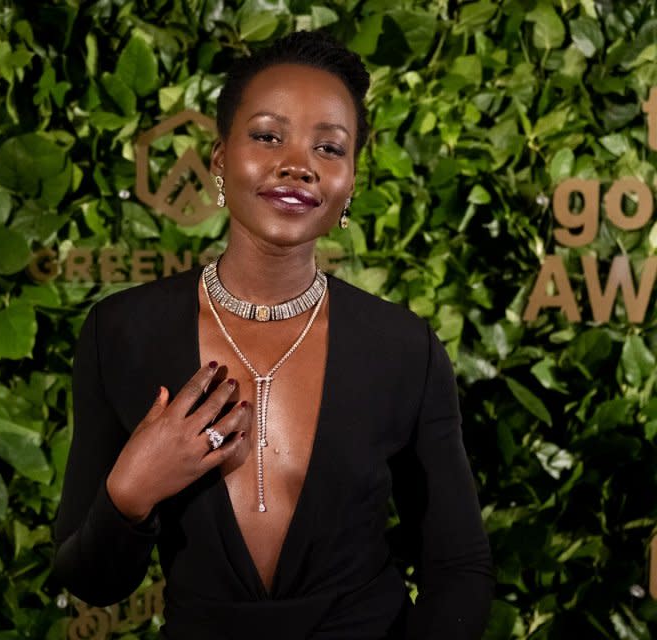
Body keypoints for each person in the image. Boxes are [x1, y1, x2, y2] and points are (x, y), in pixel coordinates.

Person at [53, 30, 494, 639]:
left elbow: (458, 565)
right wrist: (132, 491)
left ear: (351, 182)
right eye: (267, 136)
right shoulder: (122, 333)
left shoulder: (403, 349)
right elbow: (92, 580)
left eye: (330, 147)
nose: (298, 164)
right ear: (219, 161)